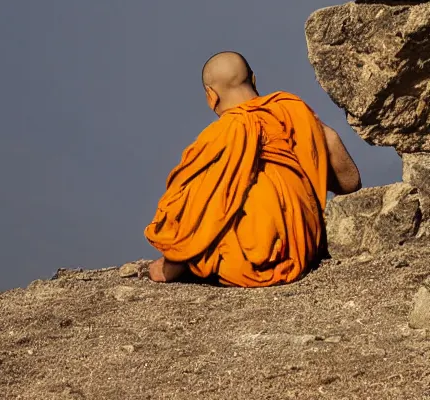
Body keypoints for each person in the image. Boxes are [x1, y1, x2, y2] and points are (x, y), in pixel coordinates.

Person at [144, 51, 361, 286]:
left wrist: (174, 260)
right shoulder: (291, 111)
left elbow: (194, 211)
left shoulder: (220, 134)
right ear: (254, 80)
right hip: (302, 249)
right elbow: (350, 181)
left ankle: (177, 265)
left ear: (211, 96)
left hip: (246, 262)